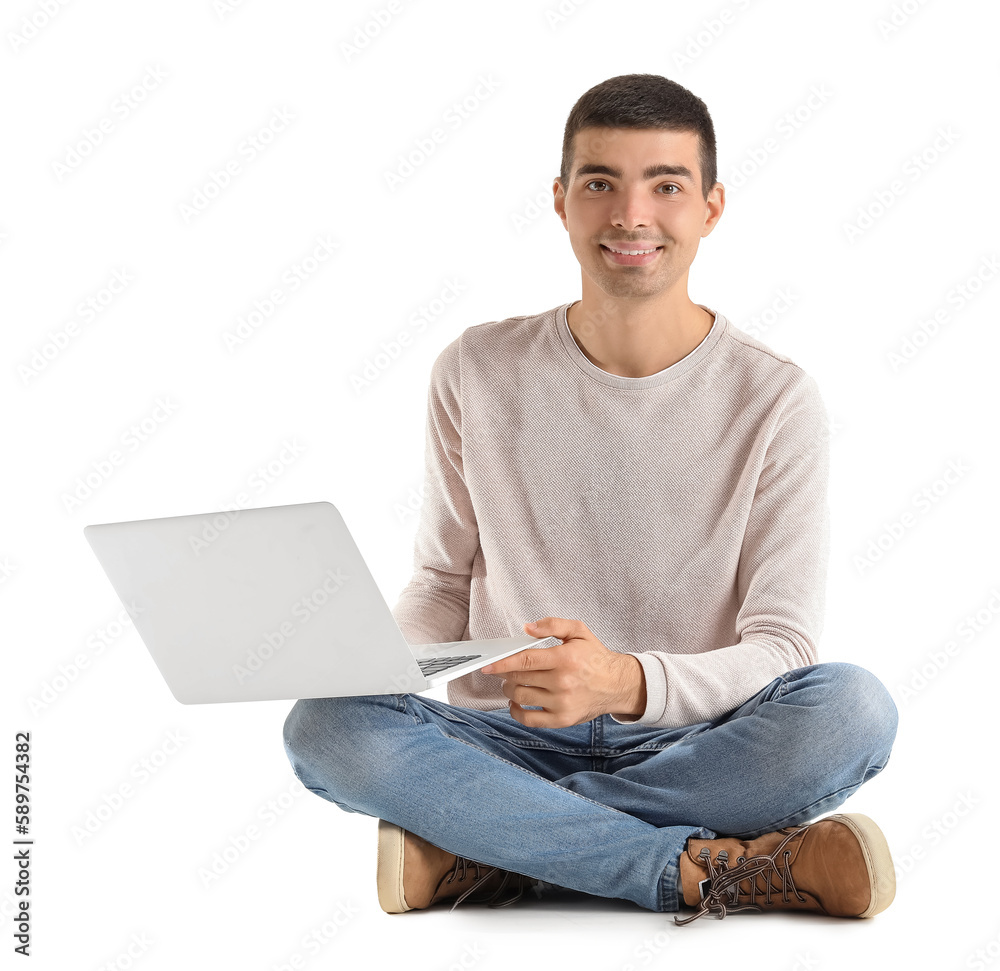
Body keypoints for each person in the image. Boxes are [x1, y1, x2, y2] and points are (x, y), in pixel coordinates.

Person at [282, 73, 899, 923]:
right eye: (600, 182)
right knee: (324, 724)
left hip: (695, 740)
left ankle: (490, 844)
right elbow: (440, 580)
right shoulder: (477, 367)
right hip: (503, 738)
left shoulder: (776, 397)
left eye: (666, 185)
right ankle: (693, 866)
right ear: (563, 202)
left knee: (850, 711)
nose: (630, 214)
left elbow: (784, 646)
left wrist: (623, 681)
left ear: (711, 208)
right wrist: (368, 659)